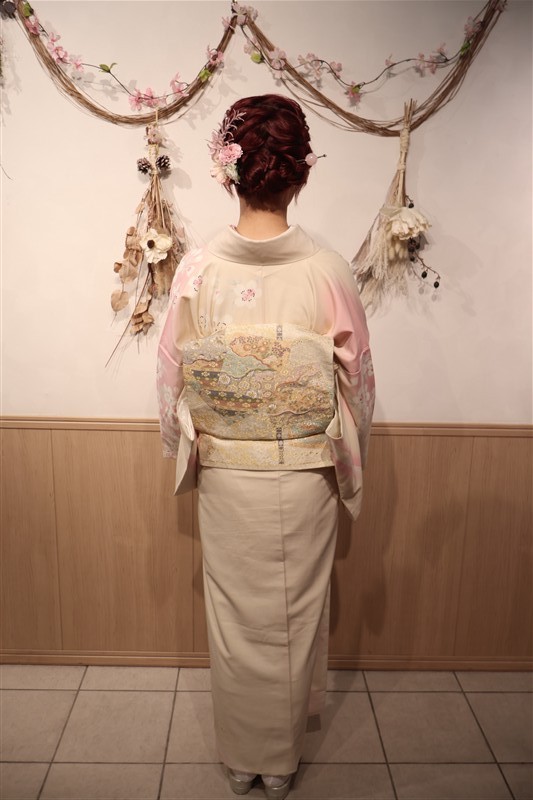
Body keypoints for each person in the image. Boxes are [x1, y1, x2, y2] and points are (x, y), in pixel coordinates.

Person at [157, 94, 375, 799]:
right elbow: (357, 382)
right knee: (295, 612)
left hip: (226, 471)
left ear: (229, 171)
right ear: (299, 172)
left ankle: (240, 757)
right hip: (306, 472)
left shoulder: (198, 269)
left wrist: (181, 444)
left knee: (234, 616)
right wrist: (351, 457)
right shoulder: (328, 269)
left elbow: (171, 373)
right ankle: (279, 762)